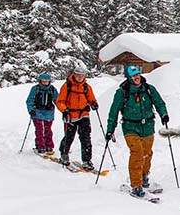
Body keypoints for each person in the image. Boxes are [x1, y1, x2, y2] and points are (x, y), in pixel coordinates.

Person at [105, 65, 169, 197]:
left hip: (148, 126)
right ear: (128, 78)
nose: (137, 78)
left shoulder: (149, 89)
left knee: (147, 153)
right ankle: (136, 185)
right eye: (134, 76)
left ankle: (144, 177)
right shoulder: (122, 92)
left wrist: (164, 114)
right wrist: (110, 129)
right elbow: (114, 112)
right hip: (130, 127)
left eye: (138, 75)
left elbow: (159, 103)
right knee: (137, 153)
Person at [56, 65, 99, 169]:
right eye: (78, 75)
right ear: (74, 75)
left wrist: (93, 104)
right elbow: (60, 101)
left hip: (84, 115)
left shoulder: (86, 87)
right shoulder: (67, 86)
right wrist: (64, 110)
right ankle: (64, 154)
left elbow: (91, 98)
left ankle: (87, 160)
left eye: (82, 76)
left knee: (86, 138)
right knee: (69, 137)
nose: (80, 77)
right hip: (70, 115)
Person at [25, 72, 58, 154]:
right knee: (39, 130)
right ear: (40, 81)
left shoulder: (52, 89)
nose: (45, 83)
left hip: (49, 113)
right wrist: (31, 110)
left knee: (48, 130)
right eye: (43, 81)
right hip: (37, 112)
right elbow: (30, 100)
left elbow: (57, 100)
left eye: (46, 81)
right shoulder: (35, 89)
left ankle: (49, 146)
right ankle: (40, 146)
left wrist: (64, 110)